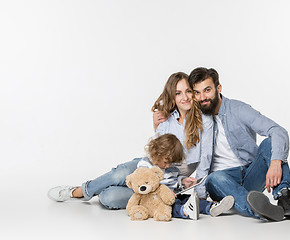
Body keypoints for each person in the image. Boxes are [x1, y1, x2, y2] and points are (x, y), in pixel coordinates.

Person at [48, 72, 233, 217]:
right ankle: (79, 192)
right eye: (178, 93)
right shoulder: (166, 119)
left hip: (169, 177)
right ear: (172, 96)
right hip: (149, 165)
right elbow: (158, 149)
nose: (184, 97)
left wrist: (200, 193)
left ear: (193, 93)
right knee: (120, 173)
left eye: (187, 91)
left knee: (108, 197)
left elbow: (205, 159)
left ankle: (101, 191)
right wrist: (156, 125)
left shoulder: (205, 120)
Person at [154, 67, 290, 221]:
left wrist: (276, 162)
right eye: (197, 92)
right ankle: (258, 208)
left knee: (270, 143)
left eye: (207, 90)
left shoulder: (238, 109)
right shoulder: (196, 119)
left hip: (250, 173)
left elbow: (278, 131)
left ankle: (285, 197)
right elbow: (181, 149)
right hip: (221, 182)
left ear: (219, 88)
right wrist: (158, 125)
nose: (202, 97)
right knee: (213, 178)